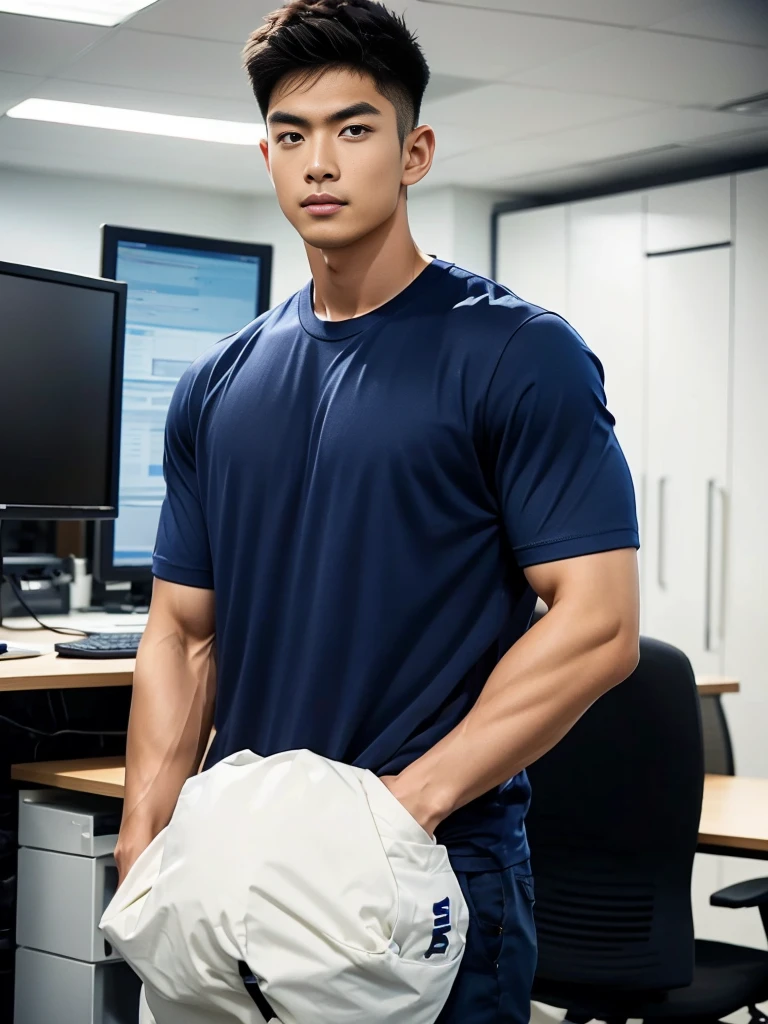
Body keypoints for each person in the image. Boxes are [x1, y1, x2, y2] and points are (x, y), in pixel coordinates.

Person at [113, 0, 641, 1021]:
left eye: (354, 129)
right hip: (236, 861)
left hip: (426, 865)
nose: (320, 162)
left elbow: (600, 624)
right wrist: (147, 830)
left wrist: (406, 807)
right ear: (264, 153)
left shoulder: (516, 354)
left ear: (414, 151)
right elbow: (182, 630)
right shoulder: (216, 383)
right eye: (291, 134)